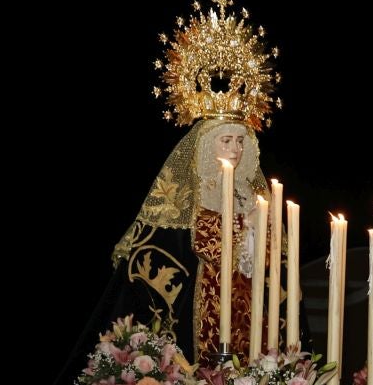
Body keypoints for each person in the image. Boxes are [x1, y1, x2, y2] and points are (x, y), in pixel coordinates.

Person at [109, 116, 267, 359]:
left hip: (245, 297)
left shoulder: (248, 193)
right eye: (226, 141)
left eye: (240, 141)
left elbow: (268, 254)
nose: (235, 149)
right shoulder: (191, 191)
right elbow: (200, 242)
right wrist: (246, 223)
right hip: (199, 298)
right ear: (206, 145)